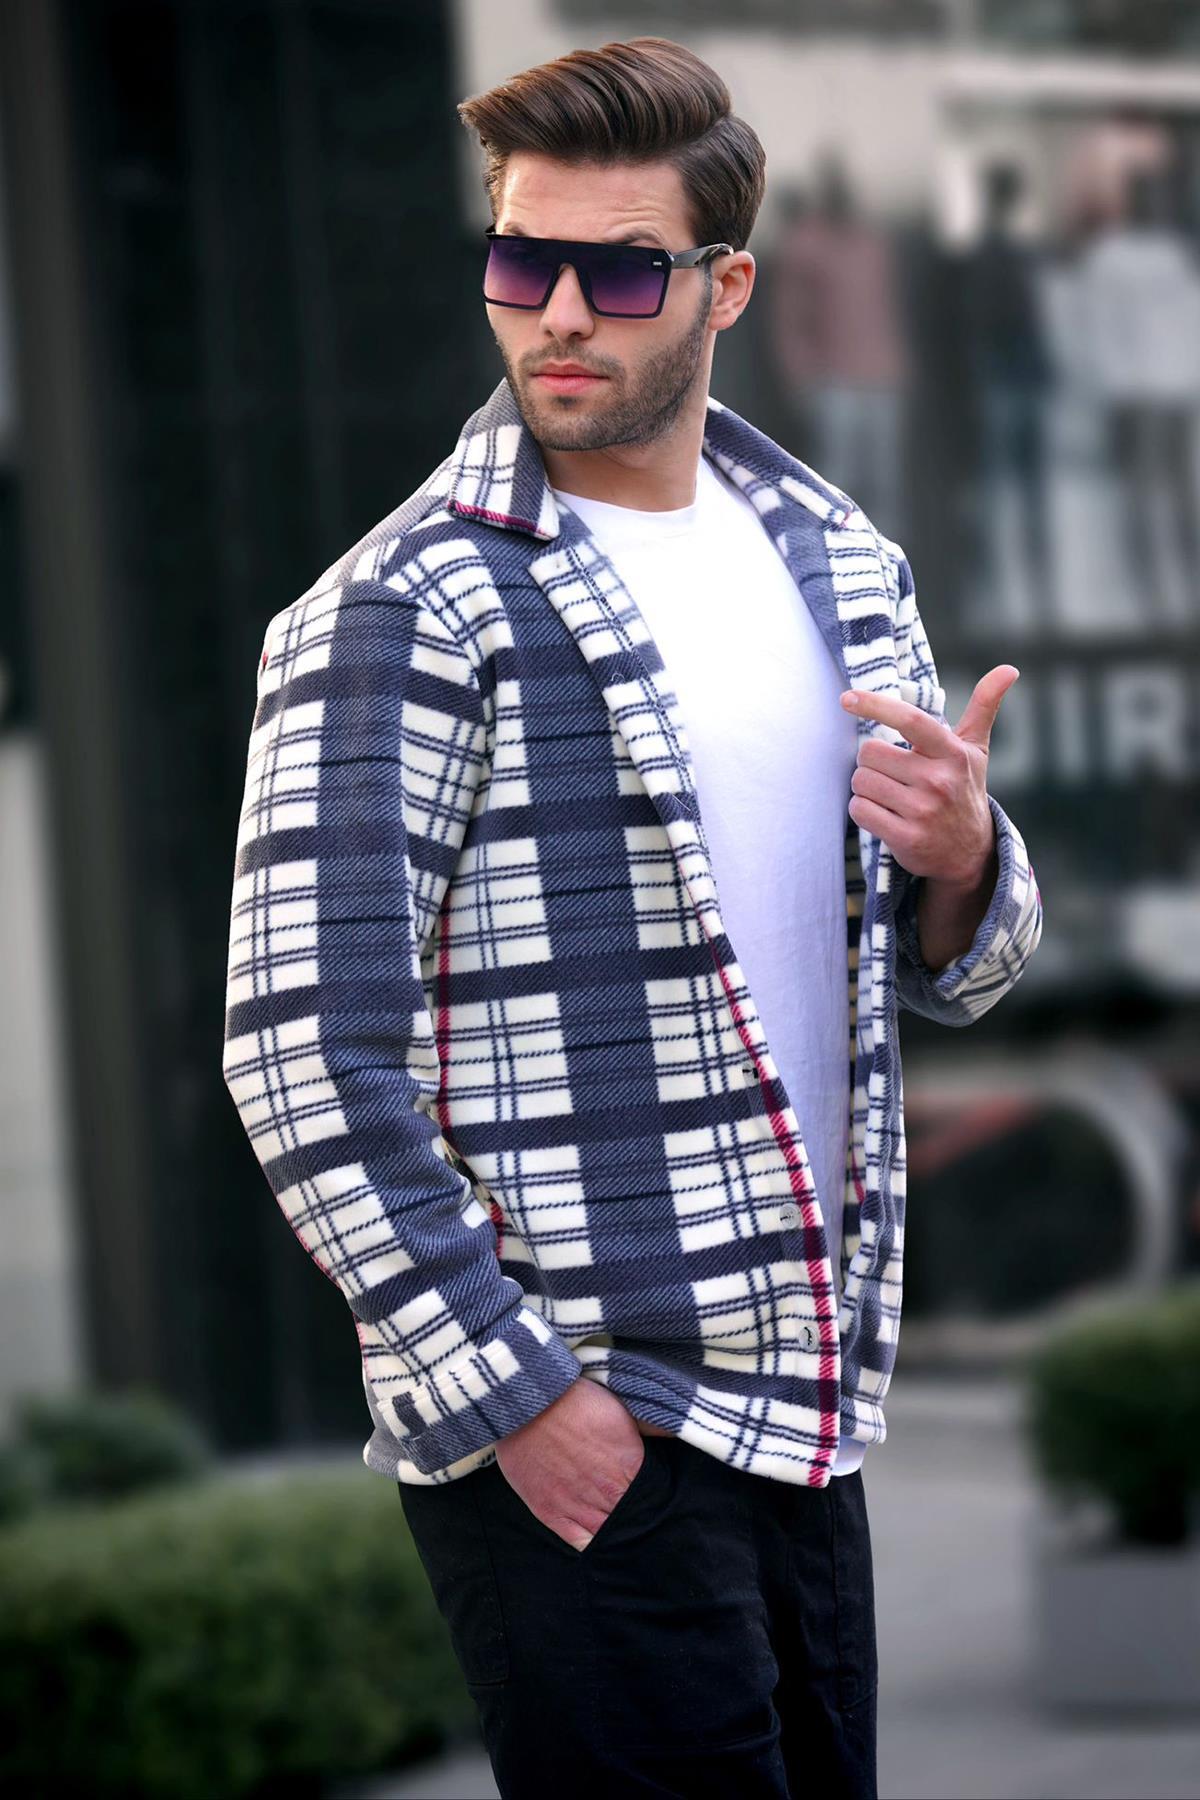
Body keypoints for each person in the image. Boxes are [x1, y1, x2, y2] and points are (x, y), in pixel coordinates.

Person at [221, 36, 1043, 1800]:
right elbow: (303, 1056)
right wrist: (520, 1396)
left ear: (726, 287)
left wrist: (967, 856)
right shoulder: (407, 607)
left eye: (620, 271)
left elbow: (957, 972)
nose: (559, 315)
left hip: (808, 1397)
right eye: (522, 263)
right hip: (582, 1410)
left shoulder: (835, 561)